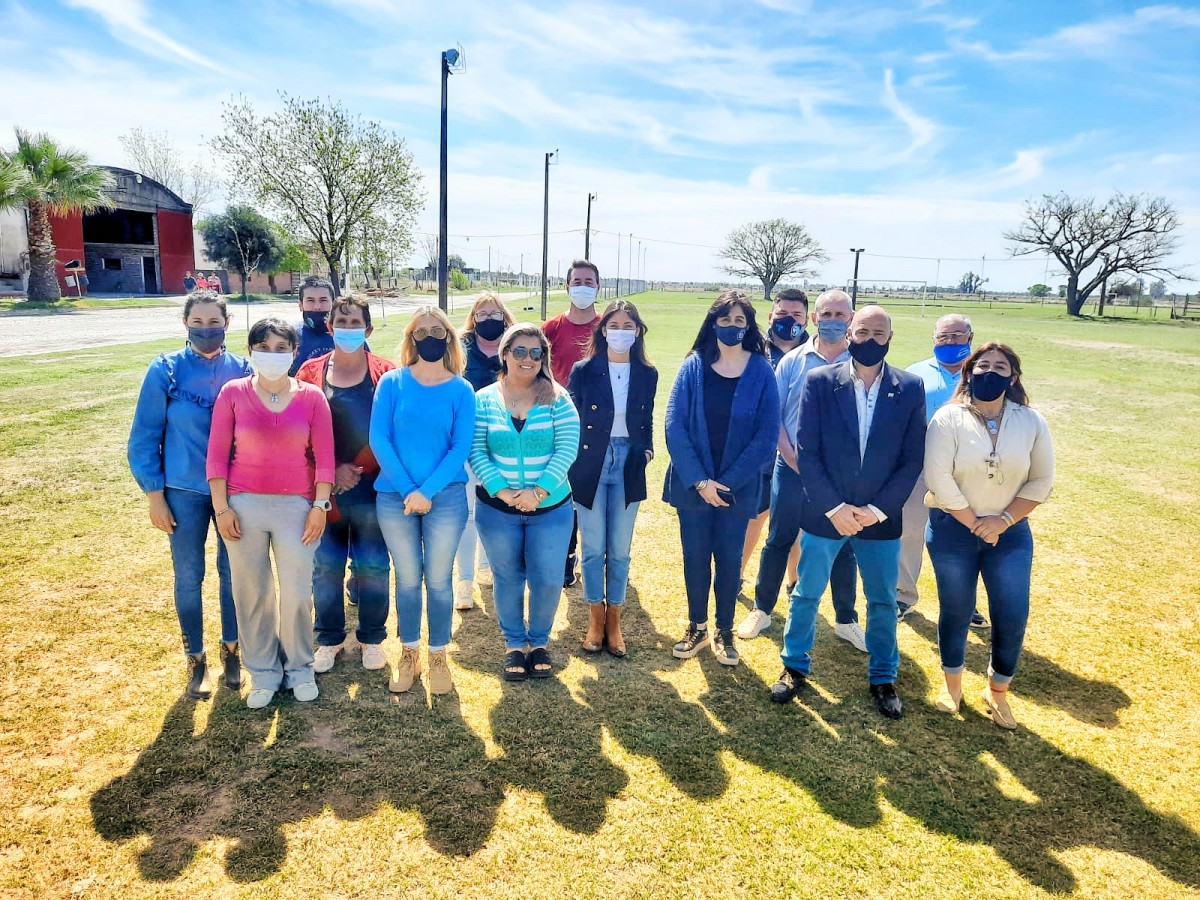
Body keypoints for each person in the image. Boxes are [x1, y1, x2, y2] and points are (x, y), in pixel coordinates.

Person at [769, 305, 925, 719]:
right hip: (826, 510)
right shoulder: (820, 381)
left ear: (890, 338)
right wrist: (835, 507)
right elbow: (809, 450)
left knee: (880, 601)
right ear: (849, 333)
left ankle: (883, 677)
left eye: (879, 333)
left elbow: (912, 459)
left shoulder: (910, 387)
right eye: (863, 332)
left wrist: (875, 509)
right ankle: (793, 666)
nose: (870, 340)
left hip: (880, 517)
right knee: (805, 594)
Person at [127, 290, 252, 699]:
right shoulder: (165, 370)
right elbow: (144, 436)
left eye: (213, 322)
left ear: (227, 323)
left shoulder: (244, 369)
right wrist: (154, 494)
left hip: (234, 492)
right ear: (185, 324)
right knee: (189, 575)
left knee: (233, 573)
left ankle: (232, 651)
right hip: (183, 490)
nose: (205, 330)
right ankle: (195, 659)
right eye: (197, 323)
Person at [207, 317, 335, 709]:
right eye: (265, 347)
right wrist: (222, 507)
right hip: (242, 506)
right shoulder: (232, 393)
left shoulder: (312, 397)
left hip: (297, 506)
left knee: (297, 593)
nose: (273, 355)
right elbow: (216, 456)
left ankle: (299, 669)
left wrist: (319, 506)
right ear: (251, 351)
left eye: (282, 348)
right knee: (252, 593)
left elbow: (325, 459)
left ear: (295, 353)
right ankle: (263, 672)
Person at [924, 342, 1055, 729]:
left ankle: (997, 692)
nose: (990, 372)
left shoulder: (1031, 421)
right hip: (952, 531)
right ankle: (952, 685)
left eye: (1000, 367)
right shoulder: (947, 419)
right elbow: (938, 476)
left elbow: (1042, 479)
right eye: (982, 365)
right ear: (968, 373)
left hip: (1010, 534)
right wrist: (974, 522)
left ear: (1012, 377)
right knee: (956, 609)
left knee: (1011, 613)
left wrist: (1001, 522)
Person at [739, 289, 864, 652]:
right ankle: (762, 610)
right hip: (792, 468)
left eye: (841, 314)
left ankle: (846, 619)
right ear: (814, 318)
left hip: (843, 476)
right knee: (779, 538)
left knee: (844, 546)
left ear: (851, 319)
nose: (834, 320)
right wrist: (794, 459)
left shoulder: (863, 364)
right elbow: (773, 417)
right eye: (827, 313)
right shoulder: (793, 361)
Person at [664, 291, 779, 667]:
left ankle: (724, 630)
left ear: (749, 327)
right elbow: (674, 426)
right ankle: (697, 626)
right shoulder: (693, 366)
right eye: (725, 320)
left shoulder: (761, 369)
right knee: (695, 557)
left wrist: (725, 483)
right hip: (693, 484)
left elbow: (766, 435)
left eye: (739, 322)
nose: (732, 327)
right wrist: (701, 481)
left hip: (738, 487)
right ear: (713, 323)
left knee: (729, 560)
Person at [370, 307, 476, 696]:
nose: (429, 336)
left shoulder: (461, 390)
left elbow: (459, 447)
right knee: (408, 579)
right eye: (421, 331)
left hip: (445, 498)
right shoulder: (392, 383)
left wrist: (426, 492)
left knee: (439, 580)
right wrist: (408, 490)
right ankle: (409, 652)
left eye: (437, 330)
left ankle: (437, 655)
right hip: (394, 498)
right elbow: (379, 439)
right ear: (411, 338)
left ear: (448, 337)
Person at [470, 323, 580, 681]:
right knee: (508, 577)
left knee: (547, 578)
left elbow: (566, 449)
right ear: (504, 354)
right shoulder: (484, 398)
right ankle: (514, 645)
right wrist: (502, 490)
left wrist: (538, 492)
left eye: (536, 353)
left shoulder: (558, 398)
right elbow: (476, 449)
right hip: (497, 509)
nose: (528, 359)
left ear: (544, 358)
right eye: (519, 351)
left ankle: (539, 642)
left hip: (550, 508)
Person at [295, 294, 395, 675]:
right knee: (326, 564)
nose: (348, 328)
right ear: (329, 326)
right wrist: (332, 470)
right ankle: (329, 638)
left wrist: (356, 468)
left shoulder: (386, 373)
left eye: (356, 322)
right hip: (326, 489)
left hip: (372, 487)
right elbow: (299, 429)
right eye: (341, 320)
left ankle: (372, 637)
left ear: (368, 329)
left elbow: (392, 429)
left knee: (372, 564)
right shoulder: (309, 372)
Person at [568, 300, 657, 657]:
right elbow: (571, 415)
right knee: (592, 547)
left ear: (637, 331)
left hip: (628, 461)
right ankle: (595, 619)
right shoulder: (584, 369)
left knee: (619, 549)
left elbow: (646, 418)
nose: (621, 331)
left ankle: (614, 620)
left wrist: (647, 449)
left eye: (628, 325)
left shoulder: (647, 373)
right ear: (603, 330)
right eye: (614, 325)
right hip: (590, 460)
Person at [898, 313, 986, 628]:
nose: (950, 342)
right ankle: (903, 595)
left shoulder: (982, 373)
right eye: (943, 337)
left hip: (968, 472)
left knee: (968, 535)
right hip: (921, 468)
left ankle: (966, 604)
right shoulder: (915, 374)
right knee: (909, 532)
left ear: (970, 337)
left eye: (957, 336)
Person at [739, 289, 810, 592]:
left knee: (795, 525)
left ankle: (795, 581)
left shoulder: (817, 353)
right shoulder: (752, 351)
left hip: (799, 452)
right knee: (752, 518)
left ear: (808, 319)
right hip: (758, 452)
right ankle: (735, 576)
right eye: (782, 314)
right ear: (770, 316)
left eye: (796, 316)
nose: (788, 321)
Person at [542, 259, 602, 587]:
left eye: (588, 281)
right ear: (567, 286)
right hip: (557, 421)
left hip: (598, 426)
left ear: (598, 286)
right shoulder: (551, 328)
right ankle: (565, 557)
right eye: (577, 280)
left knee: (591, 495)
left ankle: (600, 556)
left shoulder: (609, 326)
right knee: (560, 491)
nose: (582, 285)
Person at [455, 292, 515, 610]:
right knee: (467, 515)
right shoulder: (460, 348)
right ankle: (464, 581)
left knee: (492, 512)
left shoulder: (514, 348)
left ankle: (485, 568)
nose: (488, 319)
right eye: (481, 313)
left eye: (494, 313)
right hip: (467, 442)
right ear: (473, 318)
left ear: (504, 317)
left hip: (504, 444)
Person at [289, 275, 336, 376]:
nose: (317, 307)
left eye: (323, 300)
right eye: (310, 300)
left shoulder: (348, 335)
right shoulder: (289, 336)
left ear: (333, 303)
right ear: (300, 305)